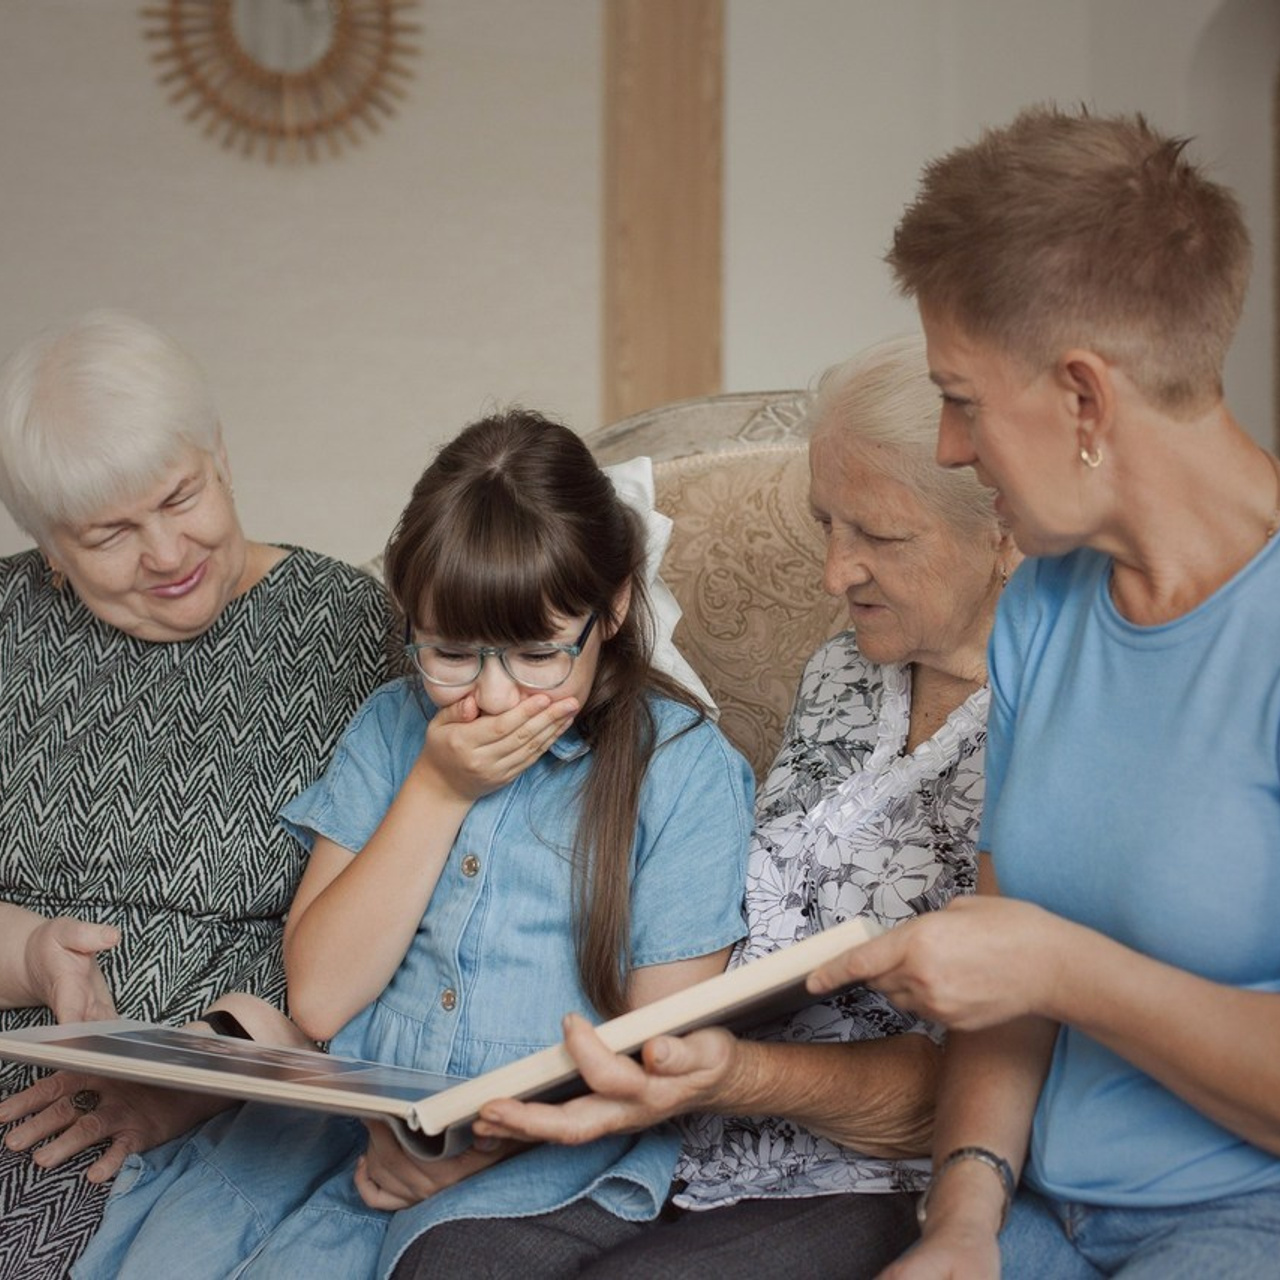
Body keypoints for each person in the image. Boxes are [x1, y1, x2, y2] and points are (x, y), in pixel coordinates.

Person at [74, 408, 755, 1280]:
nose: (495, 698)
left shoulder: (686, 770)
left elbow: (660, 1053)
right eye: (453, 654)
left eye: (539, 653)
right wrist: (437, 791)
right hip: (345, 1116)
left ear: (613, 607)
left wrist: (472, 1151)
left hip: (545, 1145)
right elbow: (319, 998)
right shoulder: (394, 729)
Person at [800, 106, 1280, 1278]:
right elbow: (1000, 978)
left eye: (960, 397)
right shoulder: (1046, 608)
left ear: (1081, 398)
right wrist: (964, 1218)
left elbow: (1031, 962)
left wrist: (1062, 966)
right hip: (1028, 1210)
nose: (951, 447)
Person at [473, 337, 1017, 1279]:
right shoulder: (846, 669)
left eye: (878, 537)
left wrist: (730, 1073)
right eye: (823, 525)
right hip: (679, 1124)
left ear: (1006, 527)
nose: (832, 574)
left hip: (861, 1171)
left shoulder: (1052, 728)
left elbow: (978, 1085)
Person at [0, 310, 399, 1277]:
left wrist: (208, 1075)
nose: (167, 554)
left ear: (219, 455)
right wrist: (35, 954)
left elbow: (405, 921)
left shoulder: (348, 628)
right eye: (109, 534)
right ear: (51, 546)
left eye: (181, 497)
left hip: (239, 1081)